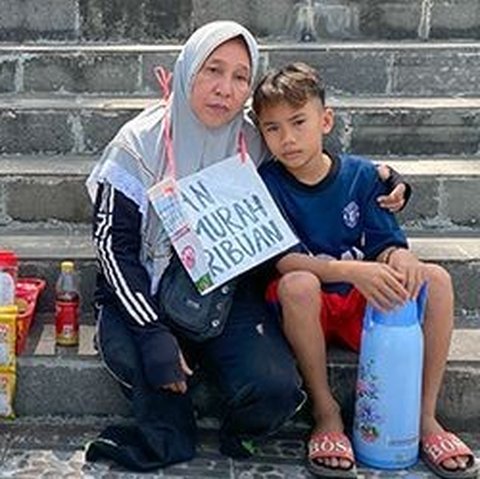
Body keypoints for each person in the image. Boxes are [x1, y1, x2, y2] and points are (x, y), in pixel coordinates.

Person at [84, 22, 410, 471]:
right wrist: (150, 331)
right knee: (154, 389)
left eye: (241, 76)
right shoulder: (138, 145)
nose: (225, 89)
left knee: (275, 392)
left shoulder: (255, 140)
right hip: (147, 290)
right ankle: (169, 409)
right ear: (187, 72)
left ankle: (238, 422)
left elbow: (316, 161)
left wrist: (384, 179)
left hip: (223, 290)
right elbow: (112, 248)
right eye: (213, 71)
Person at [252, 62, 479, 479]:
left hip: (364, 306)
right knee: (298, 283)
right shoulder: (266, 182)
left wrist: (401, 258)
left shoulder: (362, 176)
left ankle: (425, 417)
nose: (287, 138)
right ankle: (326, 413)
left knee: (438, 281)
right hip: (306, 308)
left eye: (298, 122)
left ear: (326, 120)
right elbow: (282, 260)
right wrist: (353, 270)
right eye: (272, 128)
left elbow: (386, 244)